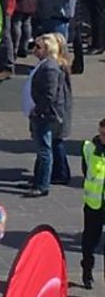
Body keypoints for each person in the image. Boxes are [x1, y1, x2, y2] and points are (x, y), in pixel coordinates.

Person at [27, 33, 72, 197]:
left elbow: (50, 95)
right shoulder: (46, 64)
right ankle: (38, 179)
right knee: (44, 148)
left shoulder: (50, 68)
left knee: (45, 150)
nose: (35, 50)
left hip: (45, 115)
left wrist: (37, 110)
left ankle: (42, 184)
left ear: (48, 49)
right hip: (44, 113)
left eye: (38, 47)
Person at [83, 117, 105, 288]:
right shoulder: (89, 148)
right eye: (101, 133)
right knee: (89, 242)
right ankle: (87, 270)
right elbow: (86, 170)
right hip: (93, 205)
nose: (102, 137)